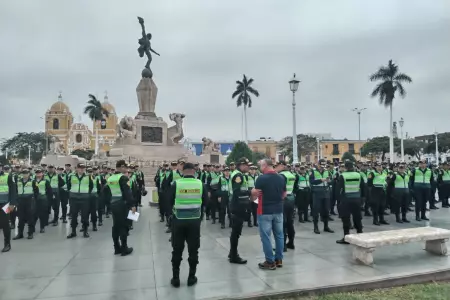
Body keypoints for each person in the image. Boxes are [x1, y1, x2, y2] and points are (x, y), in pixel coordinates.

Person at [168, 162, 207, 288]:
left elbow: (168, 201)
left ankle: (176, 278)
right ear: (194, 171)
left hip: (178, 220)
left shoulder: (176, 184)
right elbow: (206, 202)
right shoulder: (201, 184)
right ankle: (191, 277)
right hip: (194, 221)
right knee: (193, 250)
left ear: (183, 171)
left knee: (177, 249)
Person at [252, 158, 286, 270]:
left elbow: (255, 195)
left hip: (265, 210)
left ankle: (270, 261)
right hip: (278, 210)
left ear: (265, 165)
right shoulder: (281, 178)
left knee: (266, 236)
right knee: (279, 236)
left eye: (261, 165)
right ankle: (279, 259)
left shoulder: (261, 179)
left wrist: (251, 194)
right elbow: (284, 194)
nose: (260, 168)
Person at [104, 160, 135, 256]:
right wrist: (132, 205)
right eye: (125, 167)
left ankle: (117, 247)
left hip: (114, 204)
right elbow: (128, 193)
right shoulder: (123, 178)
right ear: (121, 167)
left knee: (116, 226)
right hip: (123, 205)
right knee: (124, 225)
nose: (126, 169)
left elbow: (105, 192)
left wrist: (109, 203)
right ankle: (124, 248)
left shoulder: (110, 178)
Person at [228, 157, 251, 264]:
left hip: (238, 205)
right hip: (238, 206)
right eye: (247, 165)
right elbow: (237, 192)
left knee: (235, 231)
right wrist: (250, 193)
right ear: (241, 165)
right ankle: (234, 255)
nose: (248, 167)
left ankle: (232, 252)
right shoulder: (238, 175)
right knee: (236, 232)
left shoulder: (238, 174)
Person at [336, 161, 364, 244]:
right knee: (357, 218)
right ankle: (360, 235)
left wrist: (339, 199)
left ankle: (346, 237)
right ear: (353, 166)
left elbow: (338, 189)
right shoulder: (358, 175)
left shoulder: (342, 176)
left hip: (346, 200)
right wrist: (362, 199)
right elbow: (363, 187)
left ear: (345, 167)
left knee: (346, 219)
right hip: (357, 199)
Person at [67, 163, 93, 238]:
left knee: (85, 216)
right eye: (80, 168)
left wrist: (87, 193)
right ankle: (73, 232)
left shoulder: (88, 176)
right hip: (74, 198)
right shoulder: (71, 176)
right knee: (74, 215)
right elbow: (69, 186)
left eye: (83, 168)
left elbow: (91, 186)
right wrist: (72, 192)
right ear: (77, 168)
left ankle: (85, 231)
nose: (81, 169)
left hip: (84, 199)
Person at [276, 161, 296, 252]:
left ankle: (283, 245)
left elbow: (279, 189)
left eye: (277, 166)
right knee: (290, 222)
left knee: (282, 222)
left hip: (283, 200)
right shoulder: (291, 175)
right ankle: (291, 242)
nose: (276, 168)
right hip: (291, 198)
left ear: (281, 166)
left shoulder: (280, 176)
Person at [309, 161, 334, 234]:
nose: (322, 167)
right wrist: (320, 180)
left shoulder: (327, 171)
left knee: (326, 210)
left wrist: (329, 181)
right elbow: (311, 181)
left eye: (324, 165)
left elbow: (331, 181)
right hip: (317, 193)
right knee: (316, 211)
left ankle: (326, 226)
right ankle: (315, 227)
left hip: (326, 192)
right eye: (321, 165)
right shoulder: (313, 171)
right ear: (318, 164)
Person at [13, 169, 37, 240]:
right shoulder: (18, 181)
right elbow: (16, 191)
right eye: (23, 173)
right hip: (20, 201)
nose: (25, 175)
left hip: (29, 201)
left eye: (26, 173)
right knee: (21, 218)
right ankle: (20, 234)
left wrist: (33, 199)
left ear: (29, 174)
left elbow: (36, 191)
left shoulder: (33, 181)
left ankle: (30, 233)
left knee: (30, 217)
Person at [0, 164, 17, 252]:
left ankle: (7, 244)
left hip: (5, 204)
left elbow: (13, 190)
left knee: (5, 224)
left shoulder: (8, 176)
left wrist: (12, 204)